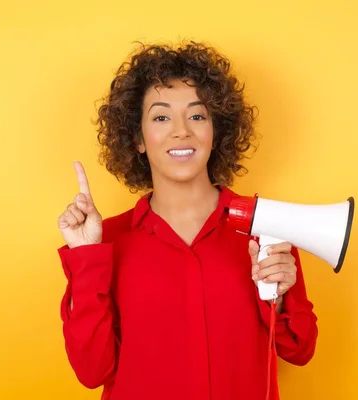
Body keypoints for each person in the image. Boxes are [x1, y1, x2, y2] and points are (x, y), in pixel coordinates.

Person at [56, 41, 318, 400]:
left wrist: (283, 295)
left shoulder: (266, 231)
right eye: (161, 117)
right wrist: (87, 257)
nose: (181, 131)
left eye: (197, 116)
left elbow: (299, 351)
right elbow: (91, 371)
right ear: (138, 139)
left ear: (216, 132)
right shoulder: (105, 242)